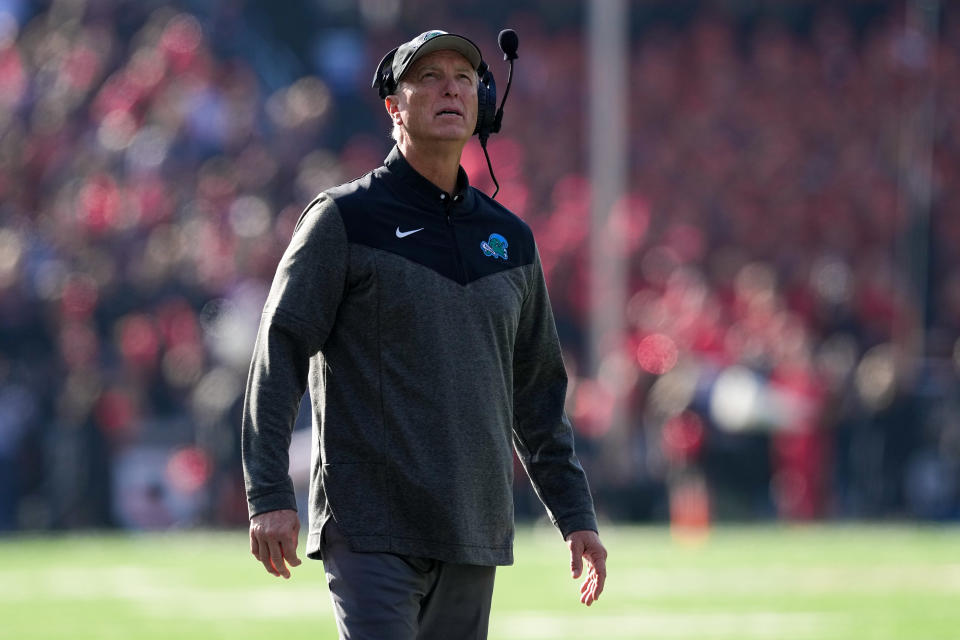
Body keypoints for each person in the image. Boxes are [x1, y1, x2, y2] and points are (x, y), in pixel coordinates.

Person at [241, 29, 607, 639]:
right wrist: (268, 493)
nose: (450, 89)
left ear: (483, 103)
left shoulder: (511, 240)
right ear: (394, 106)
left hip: (473, 530)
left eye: (463, 78)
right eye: (429, 77)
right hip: (371, 527)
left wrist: (575, 516)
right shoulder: (343, 219)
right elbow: (278, 352)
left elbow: (538, 394)